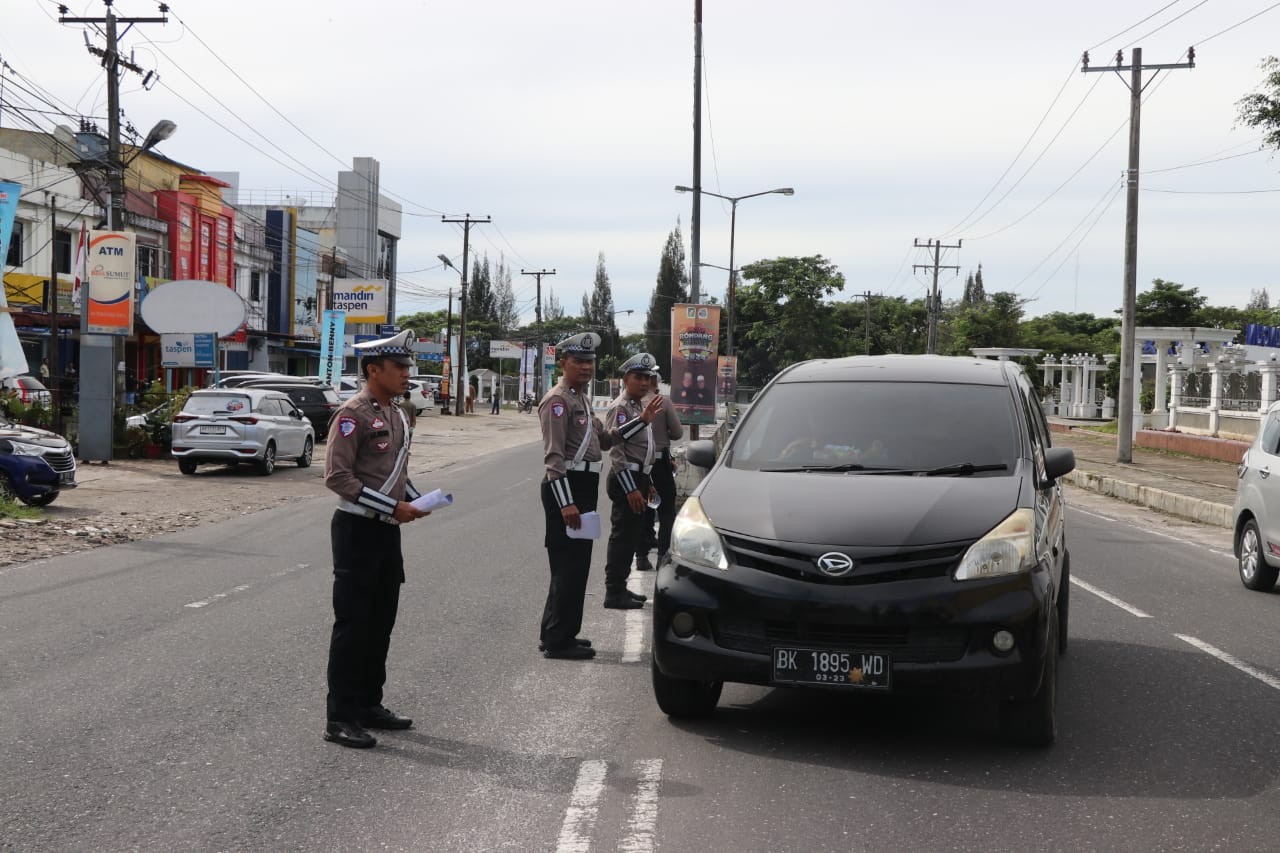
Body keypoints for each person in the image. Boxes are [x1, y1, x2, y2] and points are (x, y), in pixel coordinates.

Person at [322, 328, 430, 749]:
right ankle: (340, 717)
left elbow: (394, 476)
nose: (407, 373)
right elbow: (337, 477)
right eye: (399, 367)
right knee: (354, 624)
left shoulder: (399, 414)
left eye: (407, 366)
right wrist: (392, 507)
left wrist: (418, 501)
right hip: (356, 529)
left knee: (381, 621)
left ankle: (369, 703)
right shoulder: (353, 414)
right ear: (373, 369)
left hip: (385, 531)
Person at [538, 332, 614, 659]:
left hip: (584, 486)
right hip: (567, 486)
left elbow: (605, 441)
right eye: (579, 361)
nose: (586, 367)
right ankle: (559, 640)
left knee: (574, 565)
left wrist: (641, 421)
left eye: (590, 362)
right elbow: (554, 458)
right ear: (563, 363)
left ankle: (558, 631)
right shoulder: (557, 401)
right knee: (568, 565)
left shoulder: (580, 399)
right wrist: (566, 501)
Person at [601, 353, 666, 608]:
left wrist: (646, 480)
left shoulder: (640, 407)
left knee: (631, 537)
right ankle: (613, 591)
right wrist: (631, 489)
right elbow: (617, 453)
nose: (644, 382)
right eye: (638, 377)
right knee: (622, 537)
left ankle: (622, 587)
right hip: (625, 479)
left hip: (638, 478)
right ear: (625, 379)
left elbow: (643, 449)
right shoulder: (621, 407)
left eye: (647, 378)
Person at [635, 366, 682, 571]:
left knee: (642, 511)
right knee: (666, 511)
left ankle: (641, 556)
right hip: (659, 464)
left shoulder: (632, 403)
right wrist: (664, 435)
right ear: (656, 382)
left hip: (639, 464)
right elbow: (678, 432)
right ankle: (663, 555)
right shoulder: (663, 402)